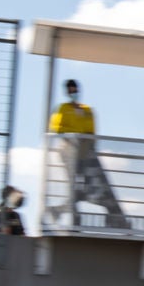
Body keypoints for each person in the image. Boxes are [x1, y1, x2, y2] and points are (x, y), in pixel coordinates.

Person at [49, 79, 128, 228]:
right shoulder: (62, 109)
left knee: (83, 189)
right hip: (70, 152)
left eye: (75, 90)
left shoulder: (87, 110)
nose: (74, 93)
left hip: (85, 153)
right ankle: (73, 218)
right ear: (67, 92)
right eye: (71, 91)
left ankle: (61, 211)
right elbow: (58, 128)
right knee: (75, 188)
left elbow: (92, 132)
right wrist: (73, 139)